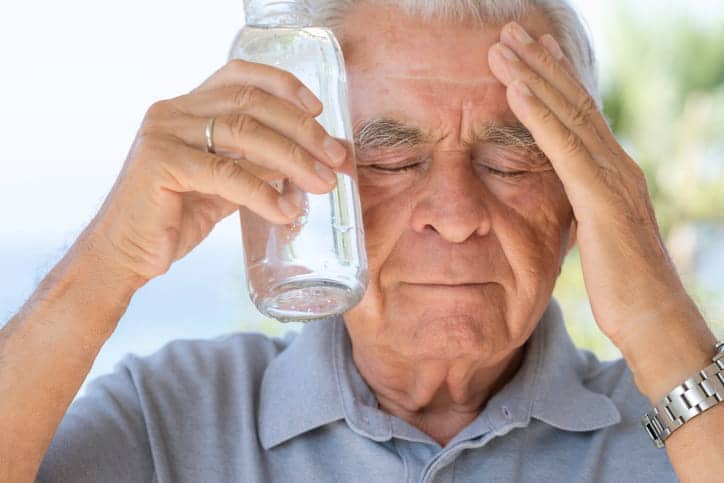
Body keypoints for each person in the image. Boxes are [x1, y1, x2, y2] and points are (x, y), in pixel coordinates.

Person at [1, 0, 722, 481]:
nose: (455, 211)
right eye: (390, 161)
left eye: (510, 161)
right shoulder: (174, 417)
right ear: (298, 181)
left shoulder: (680, 432)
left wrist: (660, 320)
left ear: (577, 202)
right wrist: (107, 262)